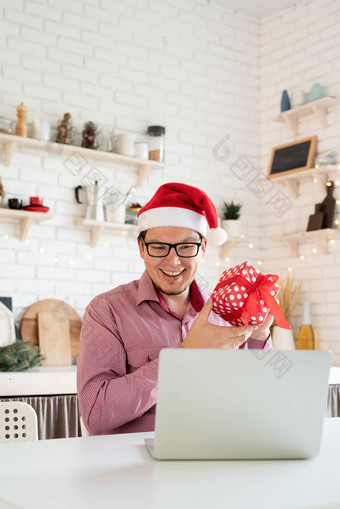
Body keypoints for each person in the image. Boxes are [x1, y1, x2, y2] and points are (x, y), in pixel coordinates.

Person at [77, 182, 273, 435]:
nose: (173, 260)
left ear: (203, 249)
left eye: (186, 246)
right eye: (158, 247)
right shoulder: (107, 311)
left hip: (216, 456)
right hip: (134, 467)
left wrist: (259, 335)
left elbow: (258, 400)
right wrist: (183, 354)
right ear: (141, 248)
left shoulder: (227, 311)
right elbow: (96, 414)